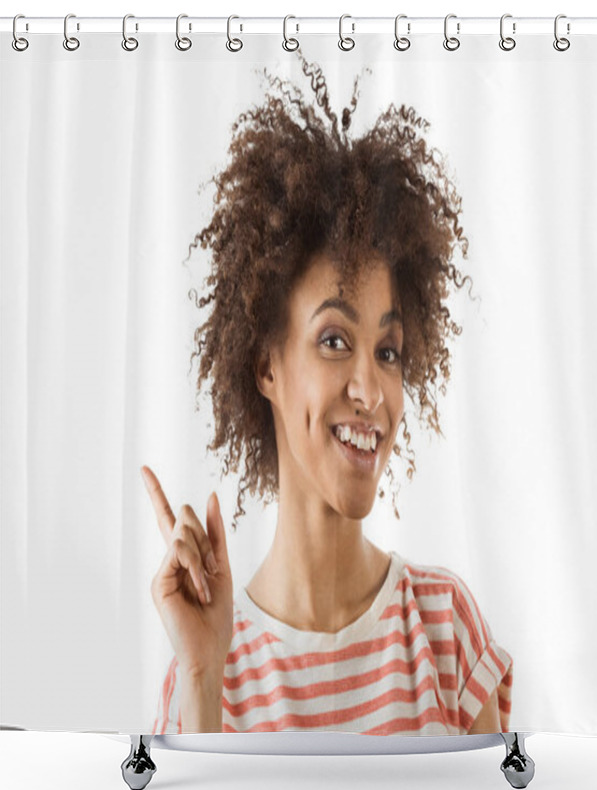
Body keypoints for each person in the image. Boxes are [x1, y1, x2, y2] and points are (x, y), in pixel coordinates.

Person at [144, 51, 513, 735]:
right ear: (265, 366)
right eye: (335, 341)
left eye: (389, 351)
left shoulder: (445, 630)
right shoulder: (204, 665)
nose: (370, 389)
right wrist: (201, 678)